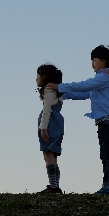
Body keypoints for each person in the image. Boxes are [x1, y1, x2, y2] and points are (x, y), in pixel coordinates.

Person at [46, 45, 109, 195]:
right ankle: (108, 184)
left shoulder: (105, 77)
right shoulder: (101, 80)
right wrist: (63, 95)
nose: (92, 63)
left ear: (103, 61)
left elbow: (84, 86)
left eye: (94, 60)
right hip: (105, 120)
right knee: (105, 153)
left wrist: (60, 87)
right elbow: (85, 93)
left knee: (108, 153)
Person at [36, 63, 64, 194]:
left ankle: (53, 187)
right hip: (58, 123)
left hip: (49, 123)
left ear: (44, 77)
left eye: (38, 76)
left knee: (47, 153)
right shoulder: (58, 92)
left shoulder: (48, 91)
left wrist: (43, 128)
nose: (36, 79)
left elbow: (47, 111)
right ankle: (55, 185)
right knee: (53, 155)